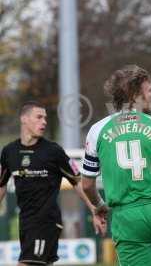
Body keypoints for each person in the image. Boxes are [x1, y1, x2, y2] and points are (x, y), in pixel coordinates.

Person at [81, 66, 151, 266]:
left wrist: (99, 205)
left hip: (125, 218)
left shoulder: (97, 130)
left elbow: (86, 185)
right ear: (135, 93)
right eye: (150, 90)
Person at [0, 101, 105, 266]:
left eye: (45, 118)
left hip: (45, 222)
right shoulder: (9, 152)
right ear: (24, 119)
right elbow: (2, 184)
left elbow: (77, 182)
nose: (44, 122)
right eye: (39, 117)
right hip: (25, 223)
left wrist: (94, 209)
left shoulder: (53, 151)